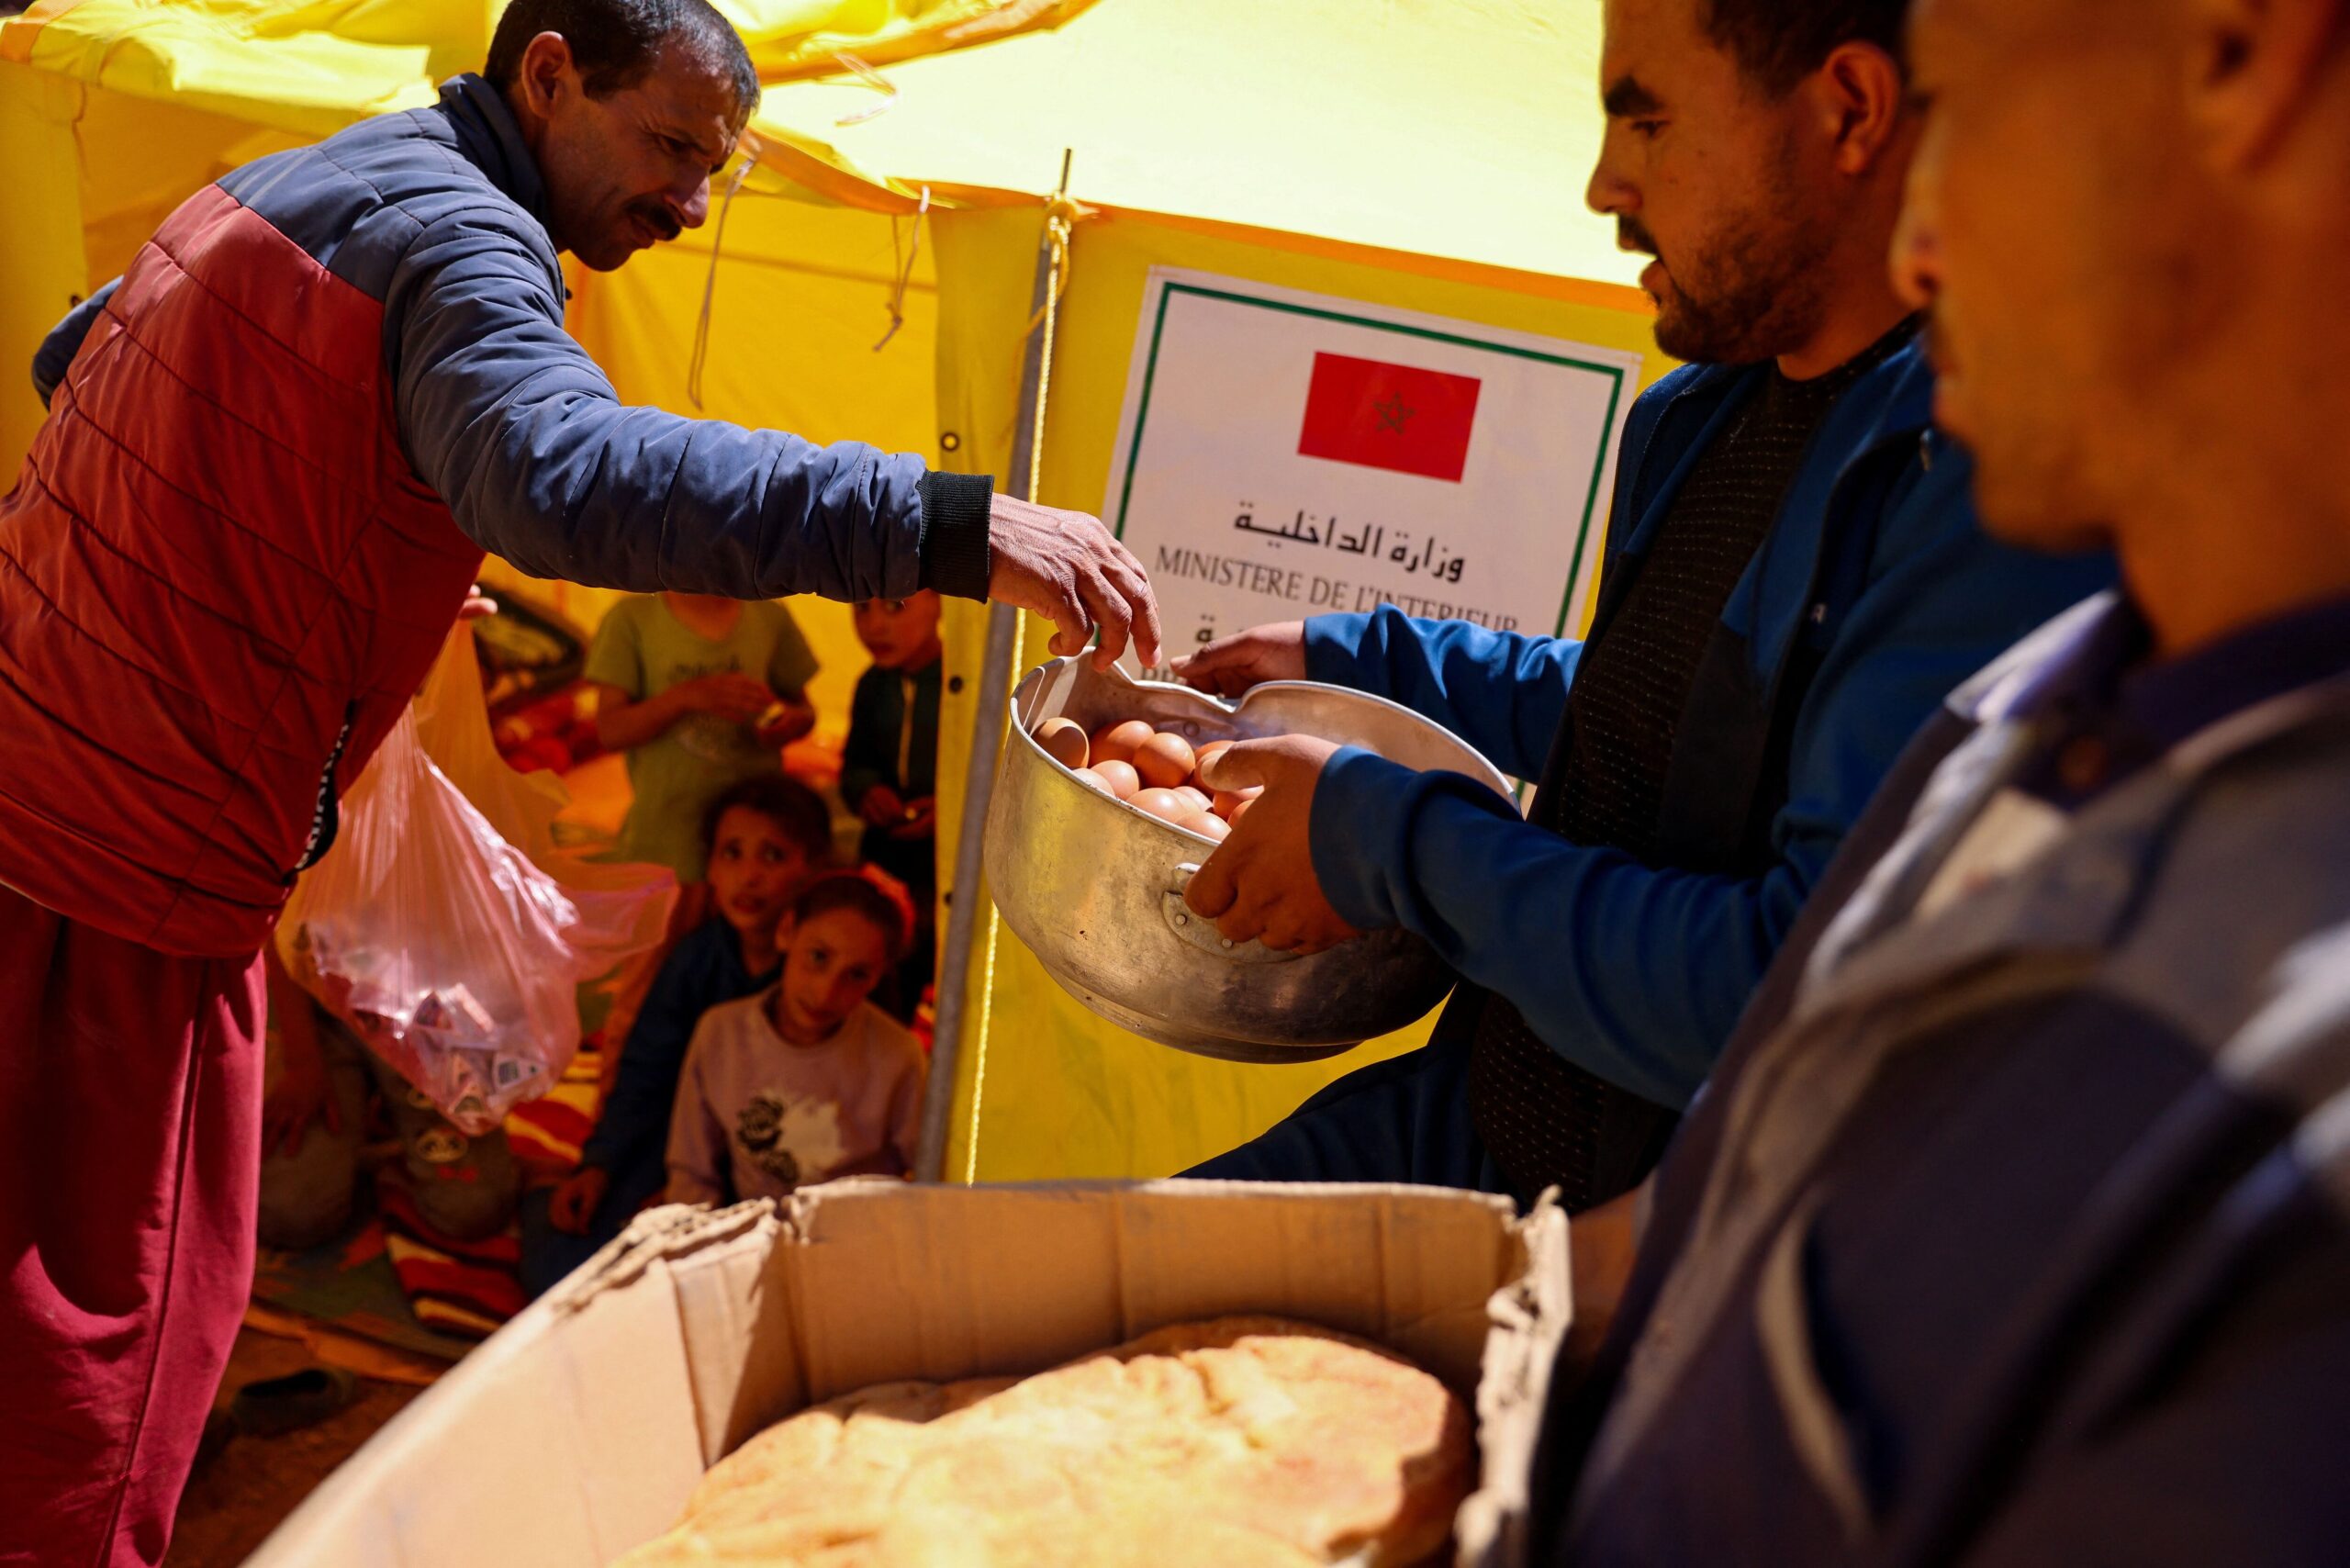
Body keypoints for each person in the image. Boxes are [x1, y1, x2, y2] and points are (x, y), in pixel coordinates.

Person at [0, 0, 1158, 1554]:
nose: (692, 202)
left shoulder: (298, 177)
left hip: (37, 788)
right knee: (98, 1371)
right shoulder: (466, 239)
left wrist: (352, 529)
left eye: (716, 167)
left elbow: (77, 354)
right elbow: (567, 475)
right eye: (672, 146)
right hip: (122, 876)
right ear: (547, 75)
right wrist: (945, 522)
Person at [1535, 0, 2350, 1560]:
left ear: (2248, 52)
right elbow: (1700, 1247)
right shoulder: (2019, 710)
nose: (1913, 256)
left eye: (1959, 112)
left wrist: (1399, 845)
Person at [1175, 0, 2110, 1211]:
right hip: (1466, 1131)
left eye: (1650, 123)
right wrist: (1367, 661)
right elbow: (1682, 724)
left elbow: (1784, 993)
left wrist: (1388, 842)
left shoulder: (1978, 476)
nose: (1604, 189)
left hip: (1670, 1251)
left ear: (1850, 112)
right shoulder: (1695, 416)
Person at [526, 775, 831, 1291]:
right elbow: (648, 1068)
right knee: (569, 1257)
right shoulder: (698, 959)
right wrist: (601, 1165)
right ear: (709, 867)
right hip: (689, 1142)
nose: (749, 876)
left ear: (811, 870)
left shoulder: (822, 975)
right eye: (732, 853)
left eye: (773, 856)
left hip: (787, 1155)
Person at [666, 873, 925, 1204]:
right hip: (755, 1228)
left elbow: (931, 1177)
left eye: (857, 975)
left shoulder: (898, 1057)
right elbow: (692, 1173)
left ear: (877, 977)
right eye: (818, 957)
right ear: (787, 931)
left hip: (858, 1229)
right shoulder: (722, 1034)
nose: (826, 992)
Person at [585, 590, 821, 882]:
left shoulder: (770, 615)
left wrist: (789, 723)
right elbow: (611, 731)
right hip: (668, 833)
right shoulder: (631, 619)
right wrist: (683, 698)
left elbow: (805, 712)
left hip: (754, 839)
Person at [840, 589, 944, 1019]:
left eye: (894, 606)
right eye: (861, 608)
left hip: (941, 860)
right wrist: (866, 790)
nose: (874, 626)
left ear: (942, 603)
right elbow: (853, 764)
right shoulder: (872, 686)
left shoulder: (961, 685)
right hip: (883, 851)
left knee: (929, 957)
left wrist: (948, 809)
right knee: (873, 951)